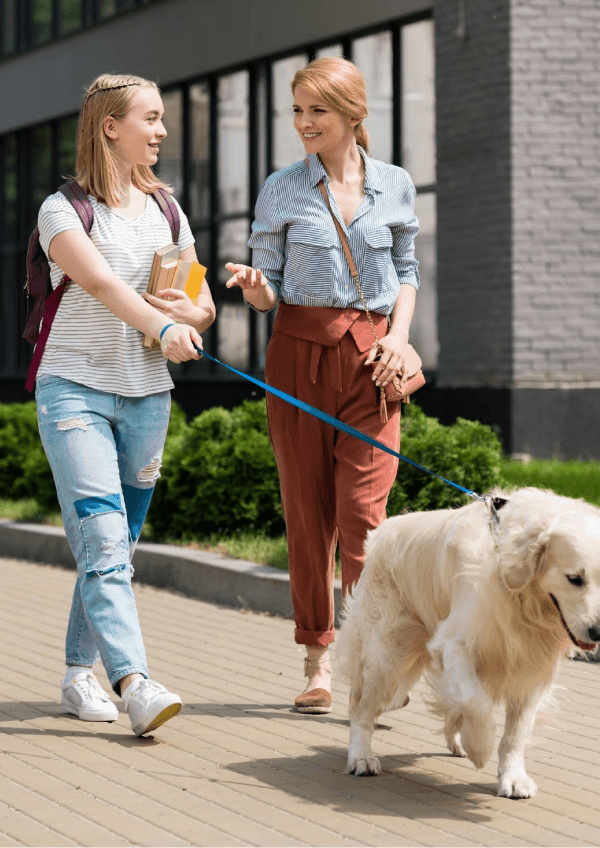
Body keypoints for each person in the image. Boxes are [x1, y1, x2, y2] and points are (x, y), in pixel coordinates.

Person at [225, 57, 419, 714]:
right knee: (307, 515)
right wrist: (257, 290)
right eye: (298, 111)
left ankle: (372, 659)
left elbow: (407, 271)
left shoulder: (393, 184)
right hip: (298, 359)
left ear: (352, 114)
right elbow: (267, 287)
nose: (304, 123)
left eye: (317, 111)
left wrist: (398, 337)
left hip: (374, 361)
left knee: (364, 516)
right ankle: (318, 660)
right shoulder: (281, 188)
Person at [35, 73, 215, 736]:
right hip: (73, 391)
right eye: (151, 118)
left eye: (162, 118)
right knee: (104, 538)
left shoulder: (168, 210)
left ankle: (76, 673)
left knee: (116, 544)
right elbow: (104, 284)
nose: (162, 130)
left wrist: (189, 314)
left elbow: (202, 300)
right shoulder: (62, 212)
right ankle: (135, 683)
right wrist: (163, 327)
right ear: (110, 126)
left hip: (147, 398)